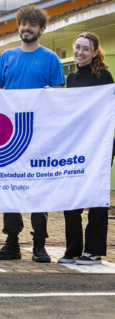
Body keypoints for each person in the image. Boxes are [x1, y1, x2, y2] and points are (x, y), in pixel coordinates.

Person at [0, 5, 65, 263]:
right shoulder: (6, 57)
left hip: (40, 136)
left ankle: (39, 245)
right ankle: (12, 242)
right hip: (10, 136)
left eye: (32, 25)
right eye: (23, 24)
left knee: (37, 190)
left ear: (41, 29)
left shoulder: (51, 59)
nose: (26, 28)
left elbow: (59, 96)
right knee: (10, 189)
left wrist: (51, 94)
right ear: (18, 26)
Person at [58, 32, 114, 266]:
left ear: (94, 53)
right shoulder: (70, 79)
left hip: (99, 145)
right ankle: (72, 250)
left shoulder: (104, 76)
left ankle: (93, 251)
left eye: (85, 49)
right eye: (77, 48)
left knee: (97, 199)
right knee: (71, 200)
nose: (80, 52)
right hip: (76, 146)